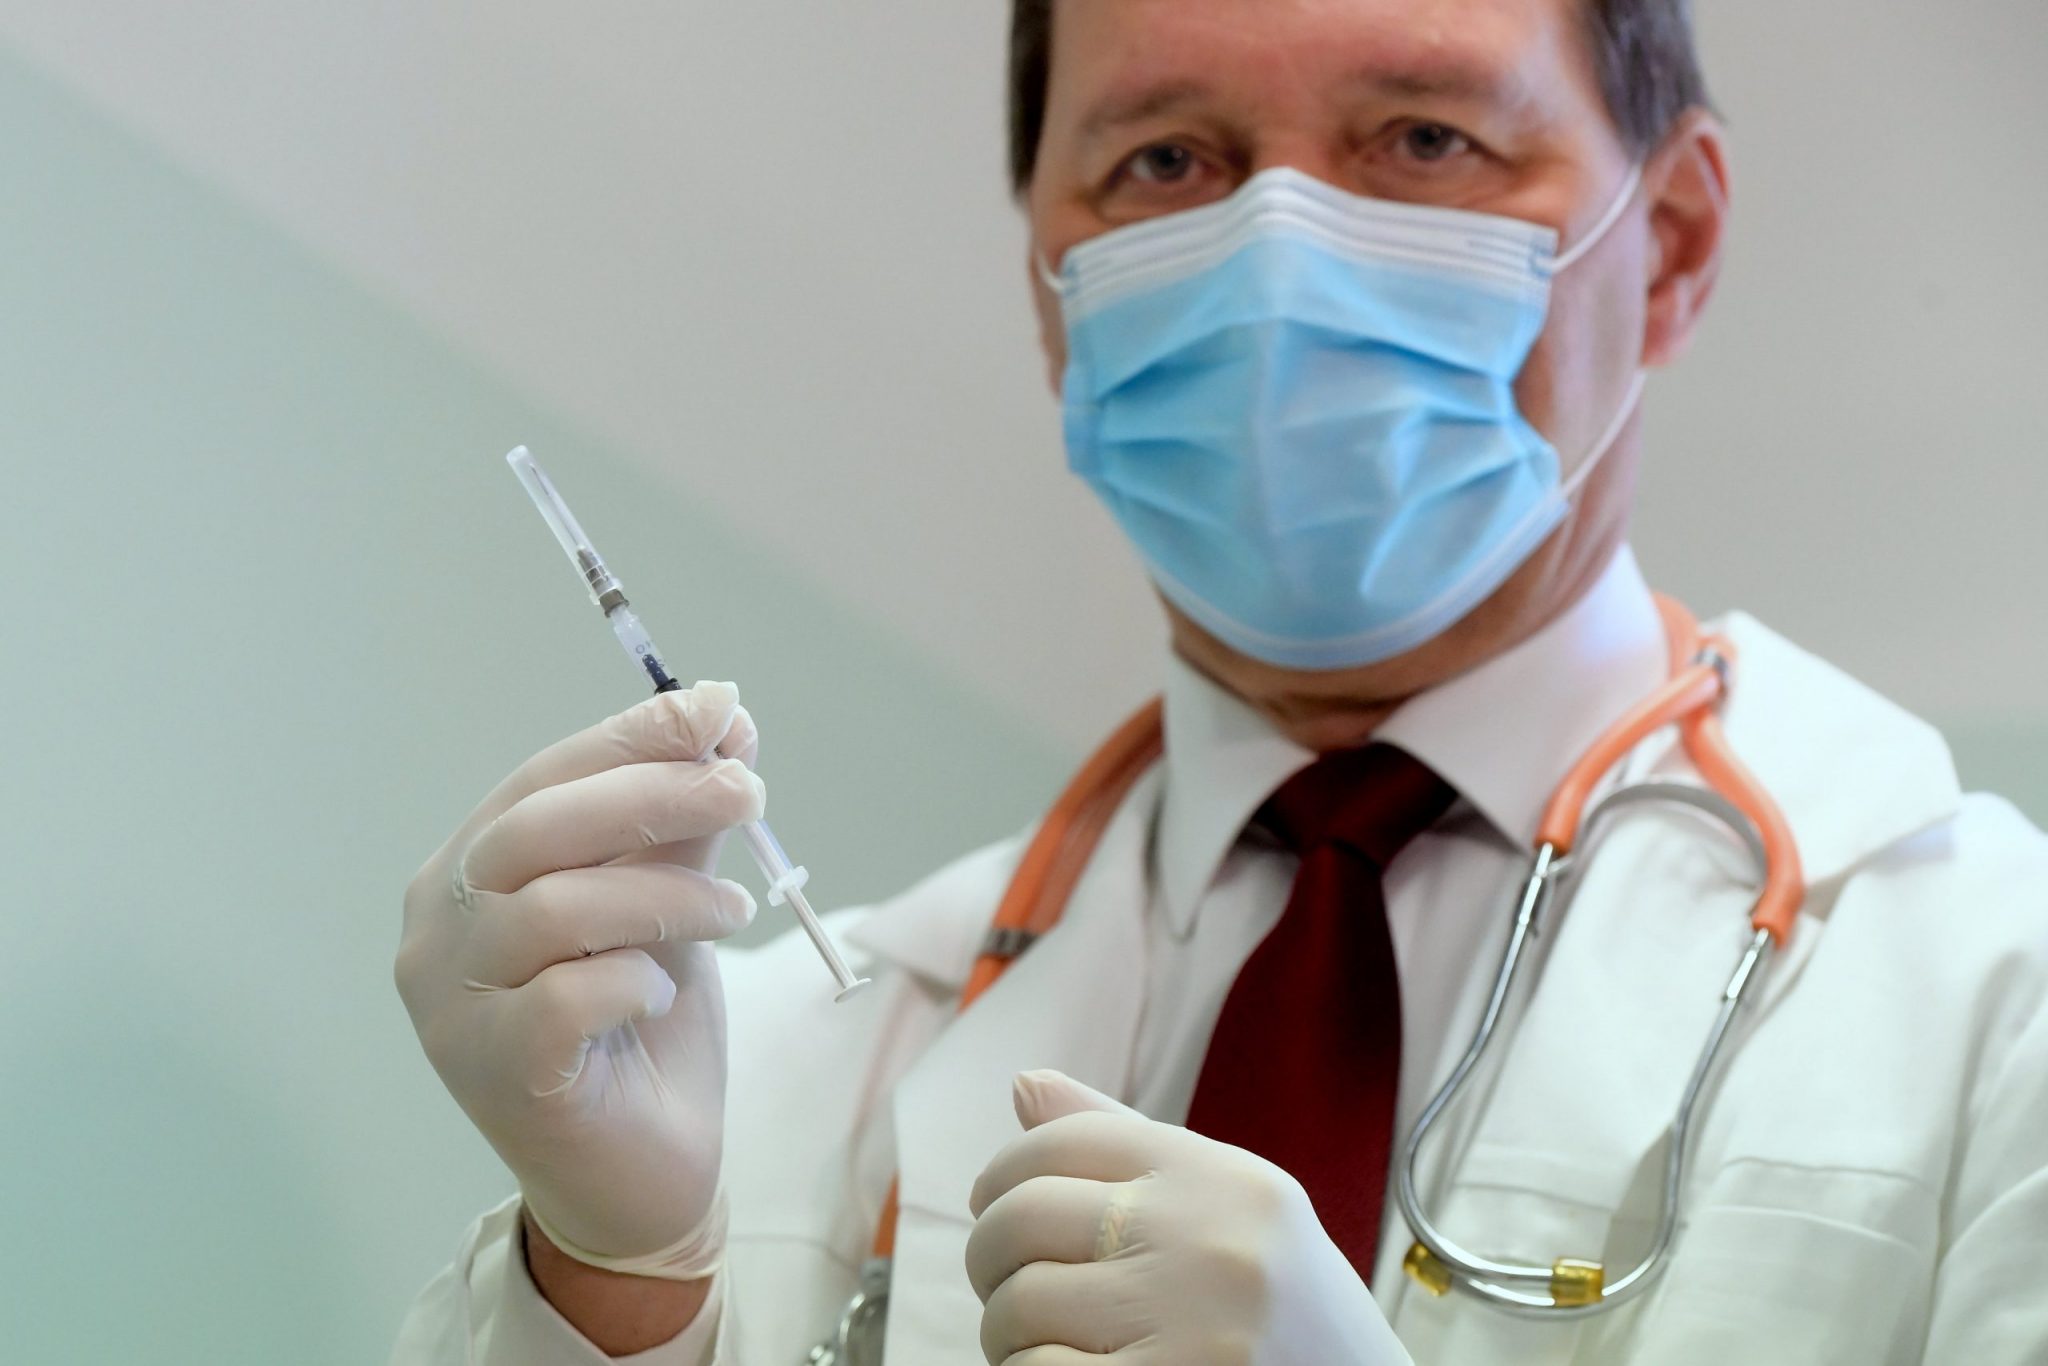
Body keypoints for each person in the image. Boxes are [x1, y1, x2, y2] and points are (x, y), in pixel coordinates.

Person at [389, 1, 2048, 1362]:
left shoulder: (1989, 988)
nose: (1278, 256)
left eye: (1424, 139)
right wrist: (608, 1293)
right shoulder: (763, 1072)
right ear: (1050, 288)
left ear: (1670, 242)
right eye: (1167, 160)